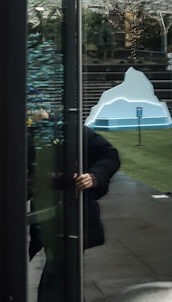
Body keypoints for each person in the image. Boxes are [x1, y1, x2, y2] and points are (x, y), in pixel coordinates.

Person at [34, 125, 121, 301]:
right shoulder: (38, 133)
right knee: (61, 276)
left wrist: (94, 176)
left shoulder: (75, 132)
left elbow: (111, 156)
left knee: (58, 276)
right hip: (50, 216)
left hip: (73, 216)